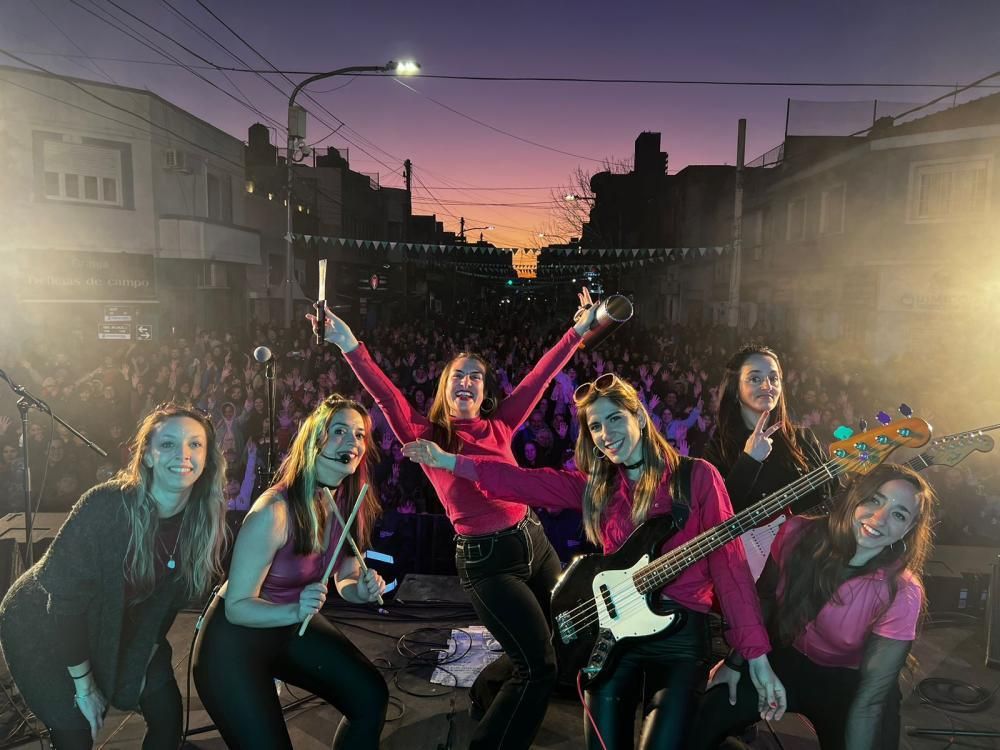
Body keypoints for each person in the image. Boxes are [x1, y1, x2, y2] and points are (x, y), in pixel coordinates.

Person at [403, 373, 785, 750]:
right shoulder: (599, 488)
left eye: (615, 418)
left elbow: (731, 567)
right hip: (616, 636)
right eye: (596, 426)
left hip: (679, 641)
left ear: (639, 416)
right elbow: (523, 481)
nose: (606, 434)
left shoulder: (697, 476)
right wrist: (452, 461)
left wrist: (753, 657)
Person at [309, 289, 600, 750]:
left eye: (475, 377)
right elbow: (385, 395)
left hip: (535, 542)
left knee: (560, 636)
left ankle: (486, 693)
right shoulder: (427, 435)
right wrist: (348, 342)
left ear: (484, 393)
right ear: (444, 388)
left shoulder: (500, 424)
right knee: (538, 667)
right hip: (489, 563)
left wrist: (578, 330)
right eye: (457, 376)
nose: (466, 382)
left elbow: (540, 377)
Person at [0, 403, 227, 749]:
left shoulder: (201, 522)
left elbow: (166, 607)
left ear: (207, 458)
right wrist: (85, 687)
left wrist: (142, 660)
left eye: (195, 444)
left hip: (116, 620)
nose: (183, 454)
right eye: (168, 443)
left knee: (166, 712)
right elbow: (64, 605)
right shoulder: (105, 506)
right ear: (147, 455)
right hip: (41, 621)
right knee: (76, 728)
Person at [192, 394, 388, 750]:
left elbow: (344, 573)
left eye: (359, 434)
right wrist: (296, 611)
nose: (353, 441)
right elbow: (238, 607)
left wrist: (359, 589)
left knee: (370, 698)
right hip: (234, 641)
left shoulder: (349, 498)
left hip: (290, 623)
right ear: (315, 440)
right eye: (339, 431)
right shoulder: (273, 511)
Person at [693, 464, 935, 750]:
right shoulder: (797, 533)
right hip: (784, 655)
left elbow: (871, 699)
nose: (879, 519)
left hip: (848, 684)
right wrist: (735, 662)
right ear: (855, 496)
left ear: (908, 529)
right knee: (703, 718)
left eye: (899, 515)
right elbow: (765, 599)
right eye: (874, 500)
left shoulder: (902, 591)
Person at [703, 344, 833, 577]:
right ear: (735, 389)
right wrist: (749, 460)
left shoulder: (803, 439)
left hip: (811, 567)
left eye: (774, 378)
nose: (767, 386)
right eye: (755, 379)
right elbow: (715, 519)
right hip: (752, 575)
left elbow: (834, 495)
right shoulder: (717, 449)